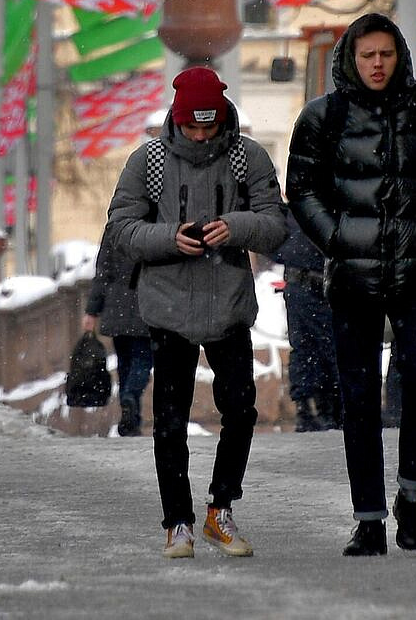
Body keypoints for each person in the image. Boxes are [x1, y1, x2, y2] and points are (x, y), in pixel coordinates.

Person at [287, 12, 416, 557]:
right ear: (351, 58)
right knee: (358, 396)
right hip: (353, 274)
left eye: (386, 54)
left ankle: (412, 496)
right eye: (367, 55)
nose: (377, 64)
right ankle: (368, 517)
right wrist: (338, 237)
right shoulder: (323, 117)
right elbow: (300, 188)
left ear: (399, 56)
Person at [105, 66, 288, 560]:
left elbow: (275, 223)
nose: (202, 136)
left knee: (241, 411)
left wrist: (237, 227)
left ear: (224, 117)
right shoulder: (150, 161)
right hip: (168, 308)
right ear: (177, 119)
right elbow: (121, 228)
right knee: (169, 419)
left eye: (210, 127)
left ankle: (219, 509)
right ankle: (177, 522)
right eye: (193, 127)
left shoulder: (248, 156)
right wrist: (170, 238)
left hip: (228, 305)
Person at [271, 208, 343, 432]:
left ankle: (319, 406)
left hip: (319, 279)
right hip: (307, 279)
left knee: (315, 347)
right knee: (311, 346)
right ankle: (314, 406)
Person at [83, 224, 153, 437]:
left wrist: (92, 311)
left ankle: (130, 418)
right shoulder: (155, 226)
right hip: (147, 305)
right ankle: (131, 398)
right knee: (142, 360)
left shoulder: (116, 227)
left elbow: (103, 272)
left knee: (125, 363)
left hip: (117, 307)